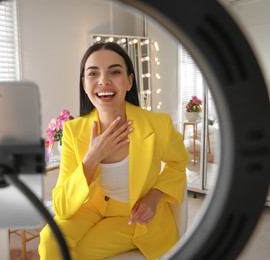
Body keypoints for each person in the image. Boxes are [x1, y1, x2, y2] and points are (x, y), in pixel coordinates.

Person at [38, 42, 189, 260]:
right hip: (92, 207)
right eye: (93, 73)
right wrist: (92, 158)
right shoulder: (73, 130)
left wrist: (154, 197)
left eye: (115, 72)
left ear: (129, 81)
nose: (103, 81)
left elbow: (179, 163)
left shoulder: (158, 125)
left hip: (135, 215)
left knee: (78, 253)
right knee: (51, 241)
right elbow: (62, 206)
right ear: (84, 84)